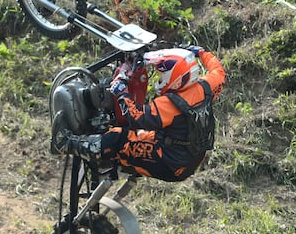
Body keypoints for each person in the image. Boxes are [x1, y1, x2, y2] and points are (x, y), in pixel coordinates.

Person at [51, 46, 226, 181]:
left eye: (161, 73)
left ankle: (65, 144)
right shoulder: (206, 87)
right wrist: (202, 53)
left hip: (169, 162)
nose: (159, 78)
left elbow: (136, 117)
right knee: (139, 136)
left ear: (175, 76)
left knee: (118, 138)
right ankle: (112, 158)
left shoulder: (169, 105)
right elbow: (218, 71)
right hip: (191, 159)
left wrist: (122, 92)